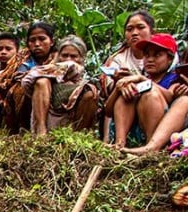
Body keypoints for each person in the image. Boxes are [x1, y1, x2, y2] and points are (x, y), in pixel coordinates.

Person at [104, 33, 183, 148]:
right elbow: (108, 111)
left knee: (151, 95)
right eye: (146, 55)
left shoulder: (175, 79)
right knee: (127, 93)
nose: (150, 59)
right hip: (134, 133)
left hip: (159, 133)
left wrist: (143, 80)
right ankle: (119, 144)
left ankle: (151, 147)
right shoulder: (135, 79)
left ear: (170, 59)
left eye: (157, 55)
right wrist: (118, 88)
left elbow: (170, 96)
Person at [22, 35, 98, 135]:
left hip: (72, 127)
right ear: (58, 56)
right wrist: (60, 68)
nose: (69, 59)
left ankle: (78, 136)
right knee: (42, 82)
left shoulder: (86, 78)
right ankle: (41, 132)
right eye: (65, 55)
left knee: (91, 94)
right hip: (48, 123)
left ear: (81, 58)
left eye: (74, 56)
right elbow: (26, 81)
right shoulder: (49, 72)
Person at [99, 10, 157, 141]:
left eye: (140, 27)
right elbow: (108, 97)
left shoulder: (165, 55)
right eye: (129, 29)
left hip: (155, 103)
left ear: (152, 31)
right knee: (124, 92)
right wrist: (118, 82)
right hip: (124, 102)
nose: (134, 33)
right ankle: (115, 142)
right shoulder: (118, 59)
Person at [0, 21, 56, 133]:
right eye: (32, 40)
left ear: (51, 41)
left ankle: (42, 130)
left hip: (53, 101)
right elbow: (15, 75)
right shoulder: (23, 59)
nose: (37, 44)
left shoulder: (59, 57)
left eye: (42, 39)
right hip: (24, 105)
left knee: (42, 83)